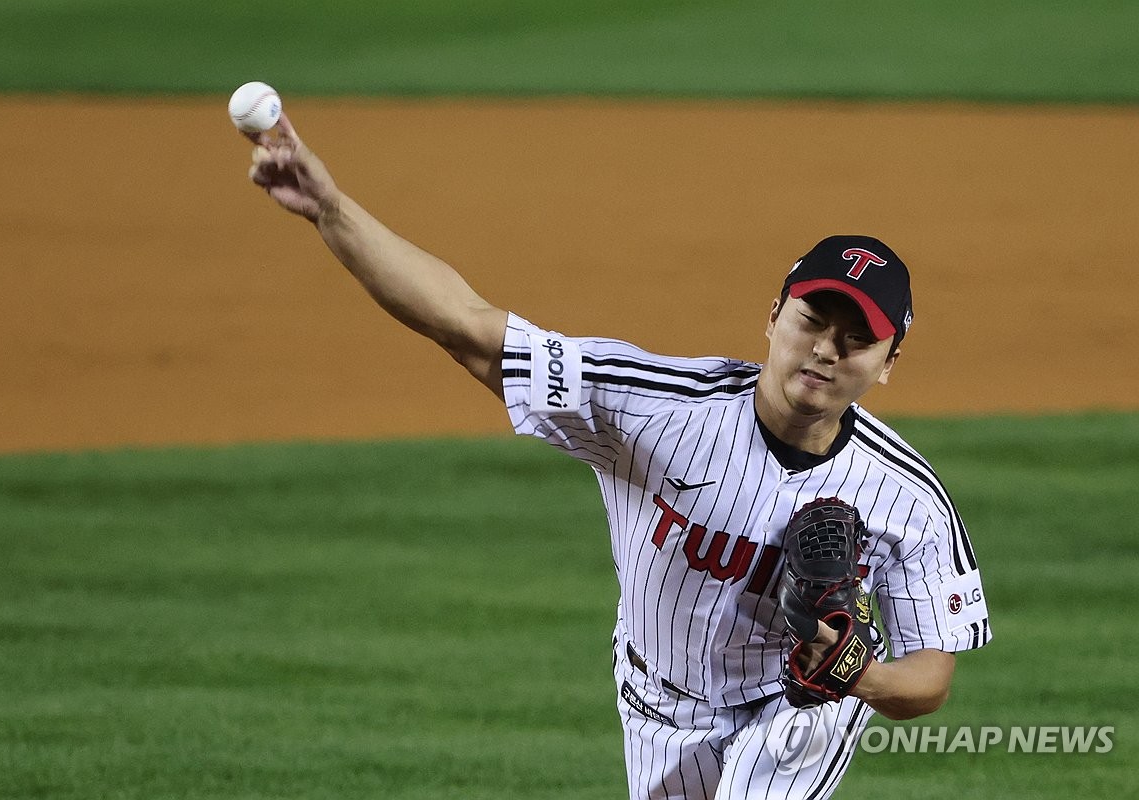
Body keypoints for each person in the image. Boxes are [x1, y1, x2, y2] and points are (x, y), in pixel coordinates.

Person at [242, 113, 991, 800]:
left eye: (856, 339)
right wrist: (332, 210)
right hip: (654, 704)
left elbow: (931, 677)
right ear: (774, 316)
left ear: (888, 362)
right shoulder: (654, 407)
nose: (826, 349)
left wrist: (861, 673)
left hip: (799, 712)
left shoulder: (908, 498)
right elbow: (466, 326)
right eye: (812, 320)